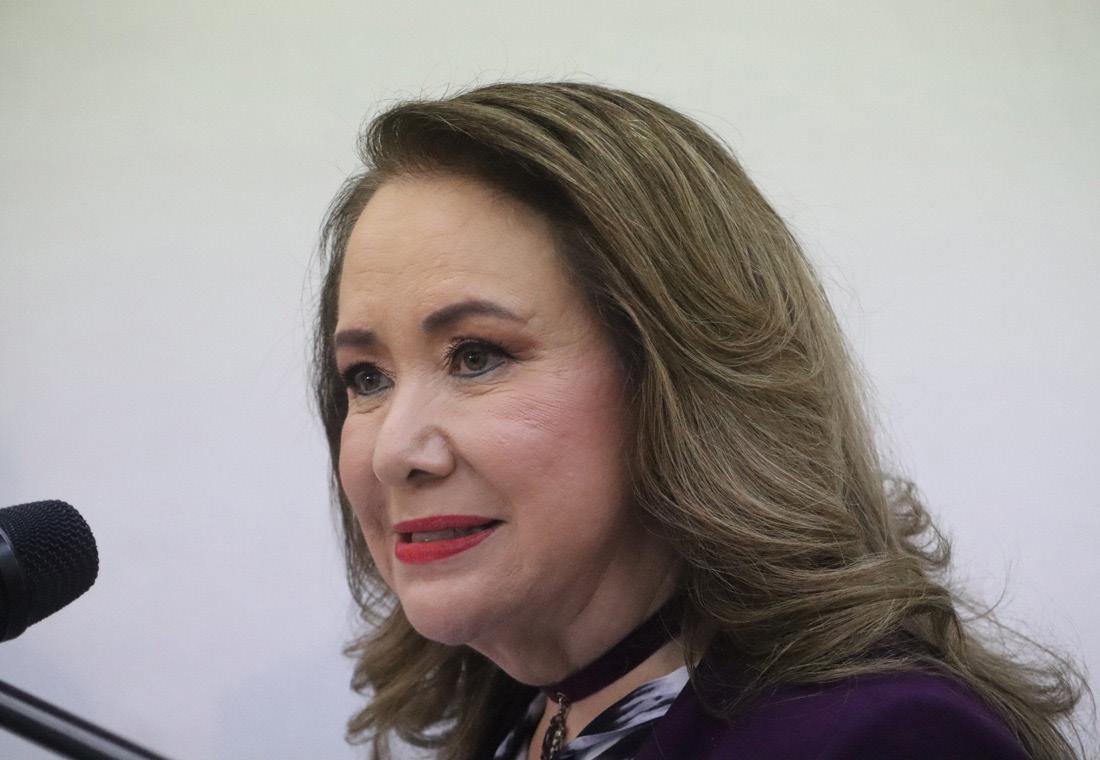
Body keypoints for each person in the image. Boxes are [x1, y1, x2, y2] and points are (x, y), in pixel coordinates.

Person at [312, 82, 1086, 760]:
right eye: (367, 377)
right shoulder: (532, 717)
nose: (393, 452)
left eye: (476, 357)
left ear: (681, 382)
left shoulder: (883, 740)